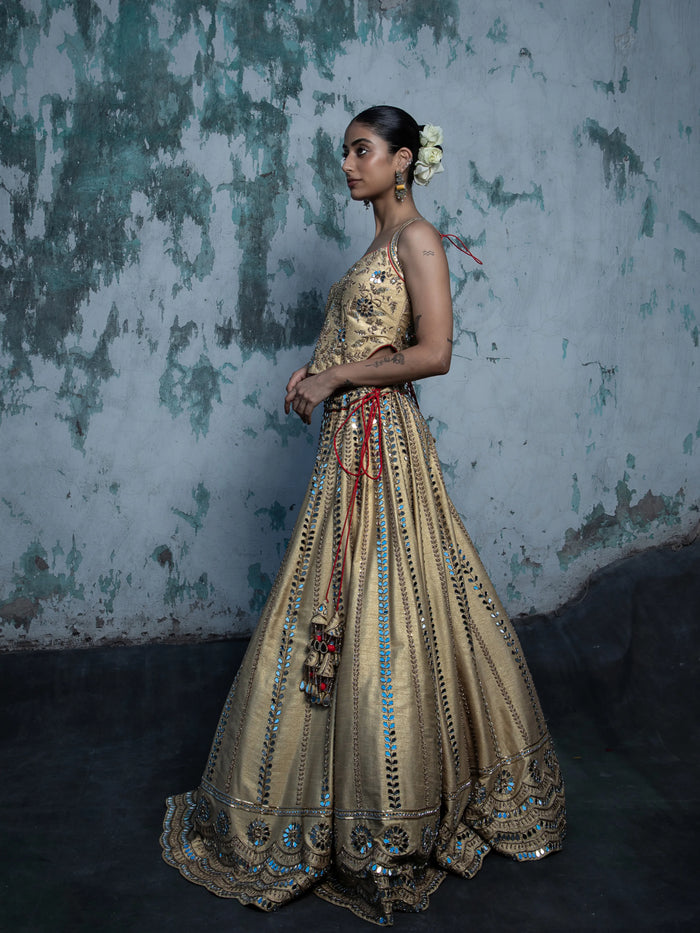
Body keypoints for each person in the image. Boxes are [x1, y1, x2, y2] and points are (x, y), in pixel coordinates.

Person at [161, 105, 566, 926]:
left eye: (361, 151)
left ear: (403, 160)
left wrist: (337, 377)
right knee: (339, 606)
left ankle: (399, 808)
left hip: (385, 447)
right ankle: (330, 795)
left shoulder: (417, 239)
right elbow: (369, 340)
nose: (347, 165)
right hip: (350, 446)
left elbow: (436, 352)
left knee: (397, 605)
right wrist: (318, 370)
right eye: (344, 153)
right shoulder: (374, 247)